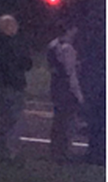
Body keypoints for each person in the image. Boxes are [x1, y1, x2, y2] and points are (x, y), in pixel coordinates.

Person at [0, 14, 33, 161]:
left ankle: (3, 148)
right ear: (8, 27)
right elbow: (25, 63)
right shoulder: (12, 44)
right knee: (14, 118)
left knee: (3, 118)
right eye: (13, 25)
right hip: (10, 84)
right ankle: (11, 151)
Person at [47, 22, 83, 163]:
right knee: (67, 122)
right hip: (66, 89)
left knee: (58, 121)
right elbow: (70, 73)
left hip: (56, 87)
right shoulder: (67, 48)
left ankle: (56, 151)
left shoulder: (53, 45)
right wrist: (79, 94)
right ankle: (64, 152)